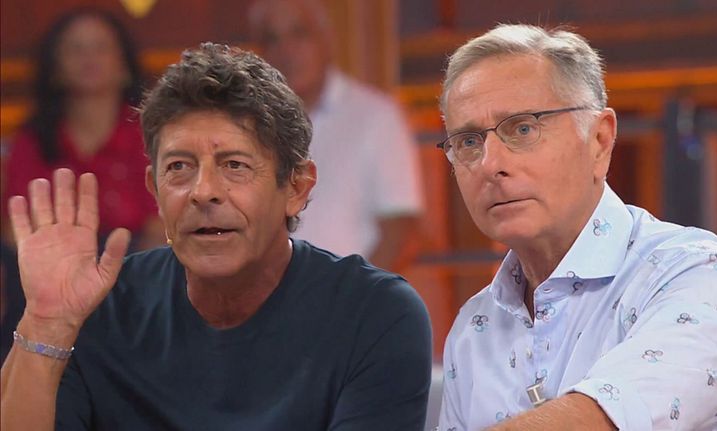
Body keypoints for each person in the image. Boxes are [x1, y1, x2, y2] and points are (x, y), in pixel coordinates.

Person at [0, 43, 432, 430]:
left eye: (234, 165)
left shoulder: (374, 315)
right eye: (179, 167)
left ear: (296, 188)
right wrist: (48, 324)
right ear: (155, 190)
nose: (203, 191)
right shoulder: (100, 306)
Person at [435, 24, 717, 430]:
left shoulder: (697, 274)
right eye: (469, 141)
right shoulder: (473, 328)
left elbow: (604, 421)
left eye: (522, 129)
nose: (491, 164)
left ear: (600, 140)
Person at [249, 0, 424, 272]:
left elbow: (401, 230)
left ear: (326, 40)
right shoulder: (250, 125)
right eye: (272, 39)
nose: (286, 51)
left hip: (353, 294)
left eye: (299, 33)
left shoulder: (375, 116)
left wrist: (355, 293)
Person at [1, 8, 163, 252]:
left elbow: (166, 222)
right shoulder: (33, 140)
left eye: (101, 47)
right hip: (52, 262)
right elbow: (14, 229)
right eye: (76, 49)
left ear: (124, 65)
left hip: (140, 265)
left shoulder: (151, 134)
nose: (89, 58)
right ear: (55, 68)